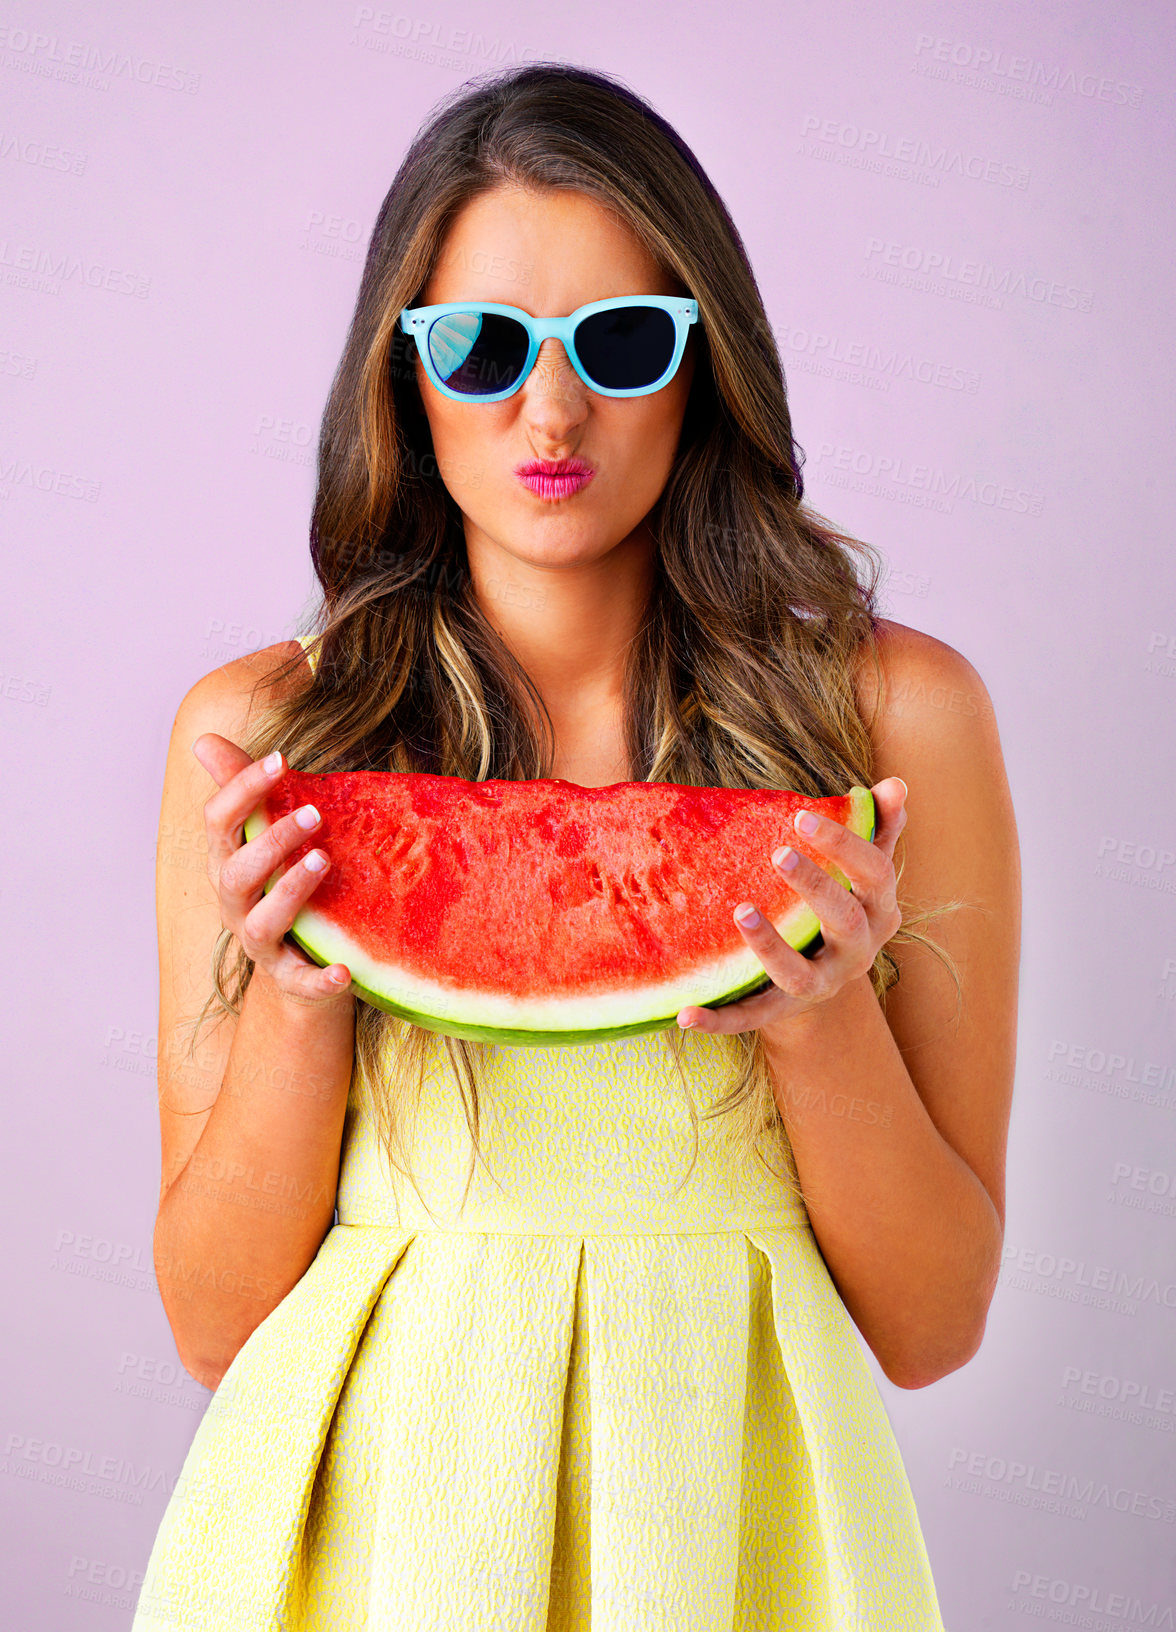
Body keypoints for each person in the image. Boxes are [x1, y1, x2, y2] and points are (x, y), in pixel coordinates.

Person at [134, 61, 1020, 1632]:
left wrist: (824, 1033)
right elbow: (215, 1331)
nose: (550, 412)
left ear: (704, 365)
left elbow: (934, 1321)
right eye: (480, 347)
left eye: (620, 342)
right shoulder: (274, 738)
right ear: (402, 378)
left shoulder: (897, 722)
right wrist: (293, 997)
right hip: (378, 1535)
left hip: (733, 1527)